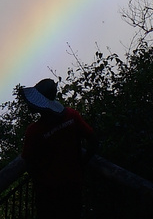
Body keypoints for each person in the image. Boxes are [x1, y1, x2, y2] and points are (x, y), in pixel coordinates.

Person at [18, 78, 95, 219]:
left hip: (48, 192)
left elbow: (28, 160)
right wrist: (81, 164)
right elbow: (93, 140)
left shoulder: (34, 131)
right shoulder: (72, 115)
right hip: (74, 185)